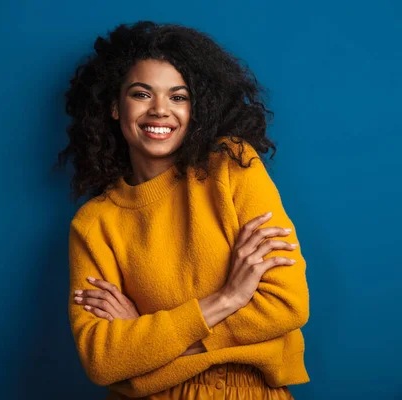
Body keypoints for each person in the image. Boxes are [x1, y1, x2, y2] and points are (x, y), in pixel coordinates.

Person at [56, 21, 309, 400]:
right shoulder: (95, 223)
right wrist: (227, 299)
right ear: (114, 105)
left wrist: (149, 342)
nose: (160, 111)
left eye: (178, 97)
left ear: (198, 107)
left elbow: (286, 305)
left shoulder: (232, 168)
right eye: (142, 94)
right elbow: (103, 360)